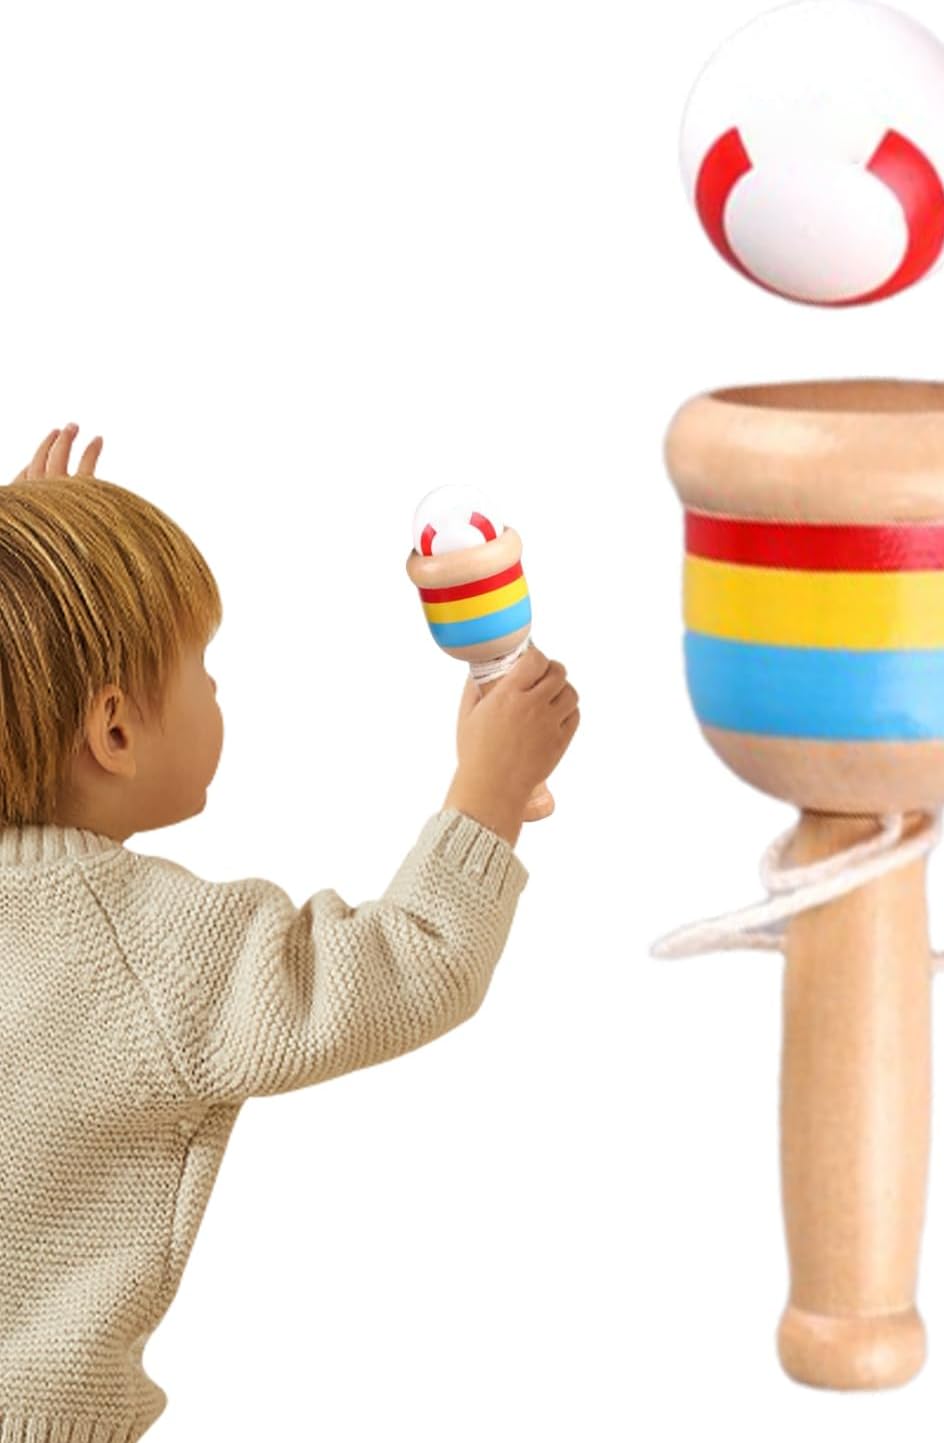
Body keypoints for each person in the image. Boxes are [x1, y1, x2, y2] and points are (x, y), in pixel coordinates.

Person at [0, 423, 579, 1440]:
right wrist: (487, 792)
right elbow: (410, 962)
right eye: (201, 665)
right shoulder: (140, 951)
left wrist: (29, 576)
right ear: (116, 731)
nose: (216, 689)